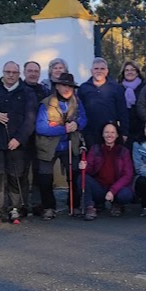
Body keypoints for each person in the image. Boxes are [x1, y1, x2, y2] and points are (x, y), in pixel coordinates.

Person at [0, 61, 38, 225]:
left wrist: (19, 139)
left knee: (15, 177)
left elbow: (30, 119)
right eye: (7, 72)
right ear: (3, 72)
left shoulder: (27, 92)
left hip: (16, 144)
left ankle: (14, 209)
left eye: (14, 72)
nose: (11, 75)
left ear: (19, 74)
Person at [34, 72, 87, 220]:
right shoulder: (46, 103)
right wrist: (63, 129)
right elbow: (41, 128)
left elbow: (84, 119)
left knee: (75, 174)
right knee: (45, 178)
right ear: (57, 86)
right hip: (49, 147)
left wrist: (77, 124)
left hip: (71, 145)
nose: (67, 89)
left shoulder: (77, 101)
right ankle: (49, 207)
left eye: (70, 86)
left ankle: (74, 205)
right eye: (63, 85)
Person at [79, 121, 135, 220]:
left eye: (113, 132)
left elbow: (128, 175)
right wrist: (84, 167)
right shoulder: (95, 149)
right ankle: (90, 207)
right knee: (82, 178)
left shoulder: (124, 151)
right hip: (100, 187)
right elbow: (89, 171)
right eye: (107, 132)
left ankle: (117, 204)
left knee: (126, 195)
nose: (109, 135)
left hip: (117, 188)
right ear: (102, 134)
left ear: (117, 135)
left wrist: (112, 191)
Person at [21, 60, 51, 214]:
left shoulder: (45, 91)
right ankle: (23, 204)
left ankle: (37, 204)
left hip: (41, 138)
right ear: (24, 72)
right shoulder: (18, 89)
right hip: (22, 138)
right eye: (30, 71)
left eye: (36, 71)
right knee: (22, 172)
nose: (33, 74)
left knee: (39, 172)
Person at [78, 57, 130, 146]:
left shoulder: (116, 88)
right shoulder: (83, 88)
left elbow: (123, 112)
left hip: (110, 133)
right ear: (91, 71)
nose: (99, 71)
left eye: (102, 69)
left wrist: (124, 132)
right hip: (90, 133)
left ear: (107, 71)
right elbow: (78, 111)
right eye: (96, 69)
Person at [119, 61, 146, 136]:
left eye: (132, 70)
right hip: (125, 127)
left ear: (137, 72)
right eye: (127, 70)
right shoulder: (118, 88)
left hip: (142, 126)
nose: (129, 72)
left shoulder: (145, 87)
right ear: (123, 73)